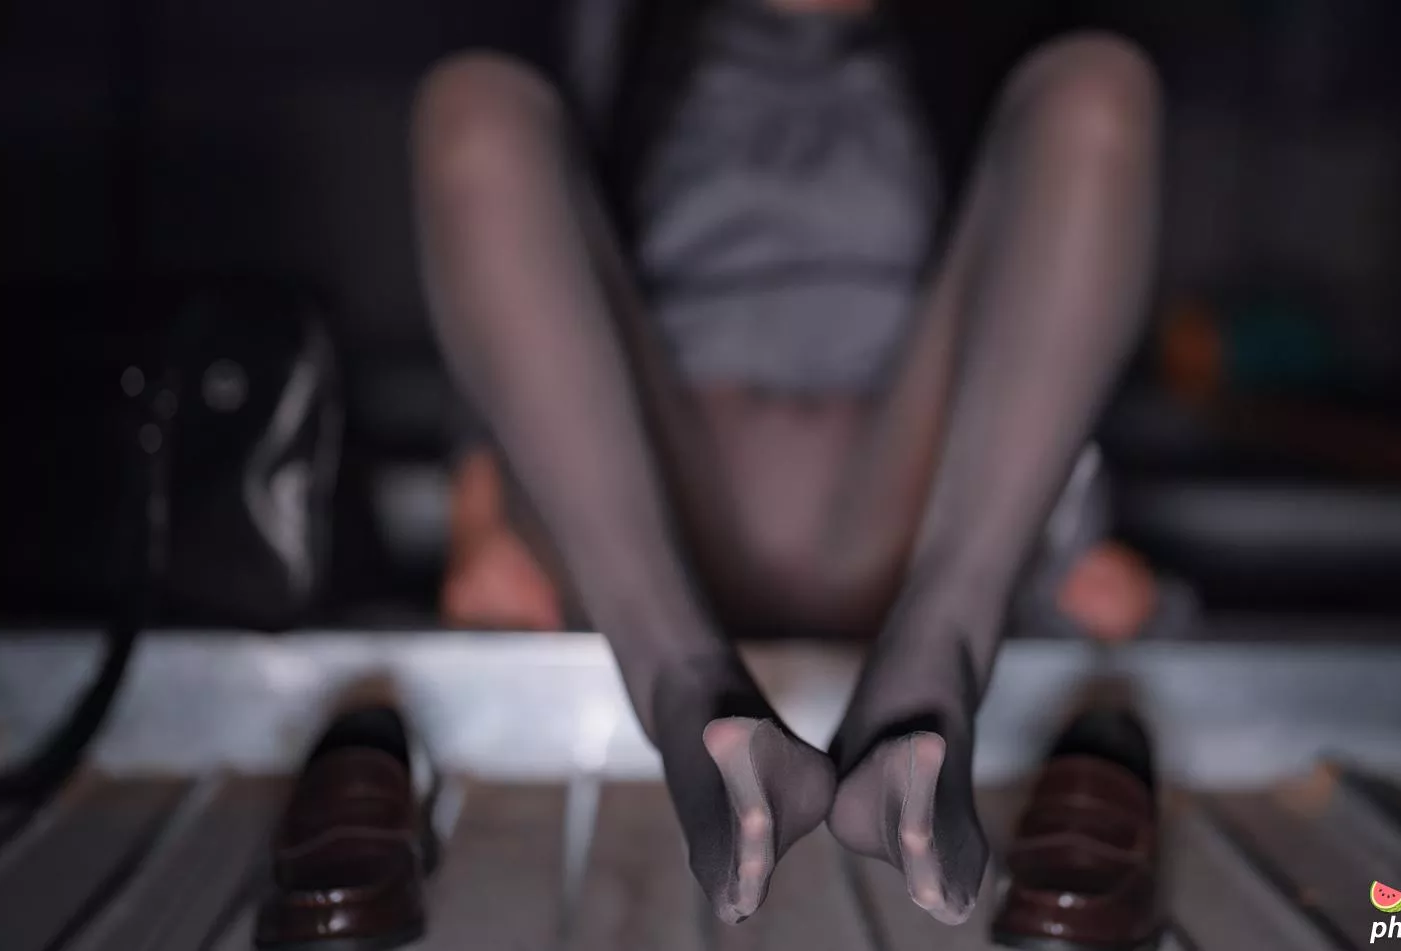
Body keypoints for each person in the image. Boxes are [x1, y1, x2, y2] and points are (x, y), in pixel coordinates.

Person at [411, 0, 1162, 928]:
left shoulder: (964, 33)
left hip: (909, 521)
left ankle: (934, 671)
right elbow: (515, 252)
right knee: (477, 104)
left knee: (1096, 86)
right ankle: (684, 685)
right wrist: (478, 501)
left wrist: (1072, 526)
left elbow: (1045, 259)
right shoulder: (621, 27)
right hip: (643, 521)